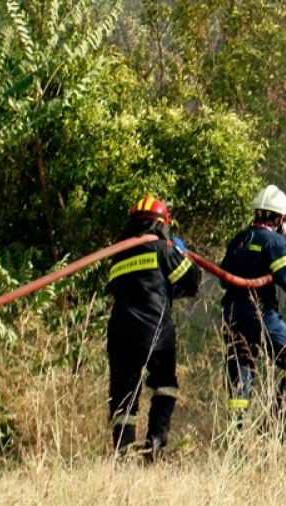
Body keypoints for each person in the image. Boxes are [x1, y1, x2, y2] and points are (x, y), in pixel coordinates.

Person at [106, 195, 201, 460]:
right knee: (165, 387)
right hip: (156, 334)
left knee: (124, 397)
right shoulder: (164, 249)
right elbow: (192, 280)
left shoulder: (117, 254)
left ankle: (123, 454)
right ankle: (154, 447)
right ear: (161, 224)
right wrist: (181, 253)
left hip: (121, 334)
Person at [219, 184, 286, 425]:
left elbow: (223, 279)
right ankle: (275, 421)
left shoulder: (240, 239)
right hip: (260, 314)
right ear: (279, 218)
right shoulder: (275, 243)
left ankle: (236, 434)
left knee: (241, 373)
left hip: (232, 314)